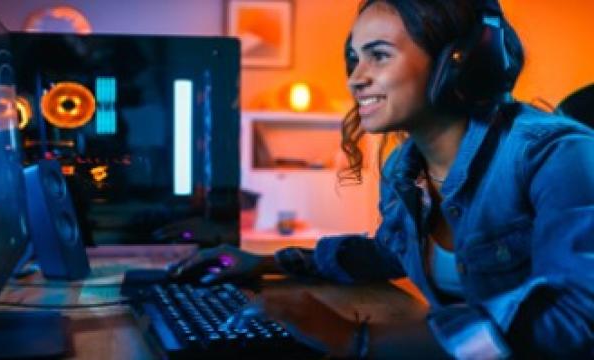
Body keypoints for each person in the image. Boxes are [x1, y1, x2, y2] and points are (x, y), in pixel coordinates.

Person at [170, 0, 594, 358]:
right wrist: (265, 262)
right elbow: (390, 253)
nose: (356, 78)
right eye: (355, 57)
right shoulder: (403, 168)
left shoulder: (558, 154)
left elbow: (576, 317)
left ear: (459, 63)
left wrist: (360, 340)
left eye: (379, 54)